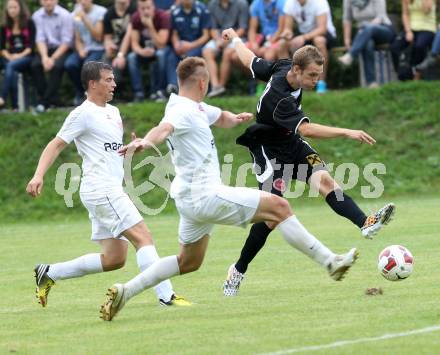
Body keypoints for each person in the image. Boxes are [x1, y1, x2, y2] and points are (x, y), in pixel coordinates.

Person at [99, 56, 359, 321]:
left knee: (188, 262)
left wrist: (233, 118)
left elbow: (218, 116)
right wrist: (144, 142)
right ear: (202, 83)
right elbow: (163, 129)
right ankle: (330, 262)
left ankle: (125, 291)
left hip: (188, 201)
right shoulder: (181, 112)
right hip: (205, 194)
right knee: (279, 206)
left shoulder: (193, 105)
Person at [220, 28, 395, 296]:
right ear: (298, 70)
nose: (315, 81)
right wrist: (347, 132)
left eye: (318, 75)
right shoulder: (278, 99)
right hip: (269, 150)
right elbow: (308, 129)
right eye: (312, 75)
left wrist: (235, 40)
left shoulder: (283, 67)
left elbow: (250, 60)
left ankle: (365, 223)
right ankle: (238, 270)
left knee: (325, 181)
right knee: (271, 217)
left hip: (290, 141)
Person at [26, 61, 190, 310]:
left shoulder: (113, 112)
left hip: (107, 189)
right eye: (108, 80)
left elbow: (107, 150)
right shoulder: (82, 114)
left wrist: (128, 149)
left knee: (114, 259)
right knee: (144, 239)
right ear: (93, 84)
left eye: (113, 79)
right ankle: (166, 296)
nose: (114, 84)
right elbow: (56, 144)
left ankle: (49, 272)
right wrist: (38, 176)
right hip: (101, 189)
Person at [279, 0, 336, 94]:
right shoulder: (290, 3)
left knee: (319, 41)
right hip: (304, 34)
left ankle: (321, 83)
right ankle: (290, 83)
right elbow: (287, 28)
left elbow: (322, 29)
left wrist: (303, 37)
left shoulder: (319, 2)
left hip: (324, 34)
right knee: (282, 44)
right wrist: (287, 35)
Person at [338, 0, 395, 88]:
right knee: (368, 43)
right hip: (364, 35)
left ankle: (351, 55)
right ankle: (371, 83)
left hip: (383, 28)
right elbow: (347, 19)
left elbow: (380, 17)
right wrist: (347, 39)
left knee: (367, 28)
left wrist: (365, 27)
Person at [31, 0, 74, 113]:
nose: (48, 2)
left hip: (62, 49)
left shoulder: (65, 15)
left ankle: (43, 103)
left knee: (57, 66)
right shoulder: (36, 16)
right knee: (35, 65)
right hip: (44, 48)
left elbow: (67, 41)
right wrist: (45, 57)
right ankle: (51, 101)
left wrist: (52, 59)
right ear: (40, 2)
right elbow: (39, 39)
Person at [202, 0, 249, 97]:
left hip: (237, 37)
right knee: (207, 51)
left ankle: (221, 87)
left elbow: (242, 29)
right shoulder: (212, 4)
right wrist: (218, 40)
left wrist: (228, 40)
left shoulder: (241, 3)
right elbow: (213, 28)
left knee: (228, 53)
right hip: (219, 37)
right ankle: (215, 86)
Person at [128, 0, 173, 102]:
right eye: (142, 9)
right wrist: (141, 51)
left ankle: (160, 91)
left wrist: (150, 26)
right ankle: (138, 93)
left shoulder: (162, 16)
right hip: (145, 50)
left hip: (162, 49)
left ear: (153, 7)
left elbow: (161, 44)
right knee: (131, 57)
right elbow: (134, 43)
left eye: (148, 8)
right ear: (138, 9)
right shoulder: (135, 18)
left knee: (160, 54)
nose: (146, 11)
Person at [65, 0, 107, 106]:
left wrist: (84, 19)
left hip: (98, 48)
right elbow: (77, 37)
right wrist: (80, 49)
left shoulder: (100, 12)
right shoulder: (75, 14)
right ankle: (80, 92)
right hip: (84, 49)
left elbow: (98, 36)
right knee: (70, 64)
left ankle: (93, 95)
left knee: (87, 66)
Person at [0, 0, 35, 110]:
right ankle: (15, 107)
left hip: (26, 56)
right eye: (10, 8)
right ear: (7, 10)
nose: (13, 10)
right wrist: (9, 56)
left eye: (15, 7)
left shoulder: (29, 23)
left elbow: (31, 47)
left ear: (20, 8)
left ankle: (2, 97)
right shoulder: (4, 25)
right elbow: (1, 48)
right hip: (9, 56)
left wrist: (18, 56)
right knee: (11, 70)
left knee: (10, 66)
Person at [390, 0, 436, 81]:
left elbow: (427, 10)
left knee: (419, 46)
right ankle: (402, 73)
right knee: (395, 47)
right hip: (411, 28)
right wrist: (408, 31)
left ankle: (416, 73)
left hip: (428, 28)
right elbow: (405, 14)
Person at [102, 0, 136, 84]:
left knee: (118, 64)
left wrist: (120, 55)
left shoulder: (134, 9)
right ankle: (102, 91)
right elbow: (107, 37)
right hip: (117, 46)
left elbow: (129, 35)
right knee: (104, 62)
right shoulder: (109, 13)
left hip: (133, 45)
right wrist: (108, 46)